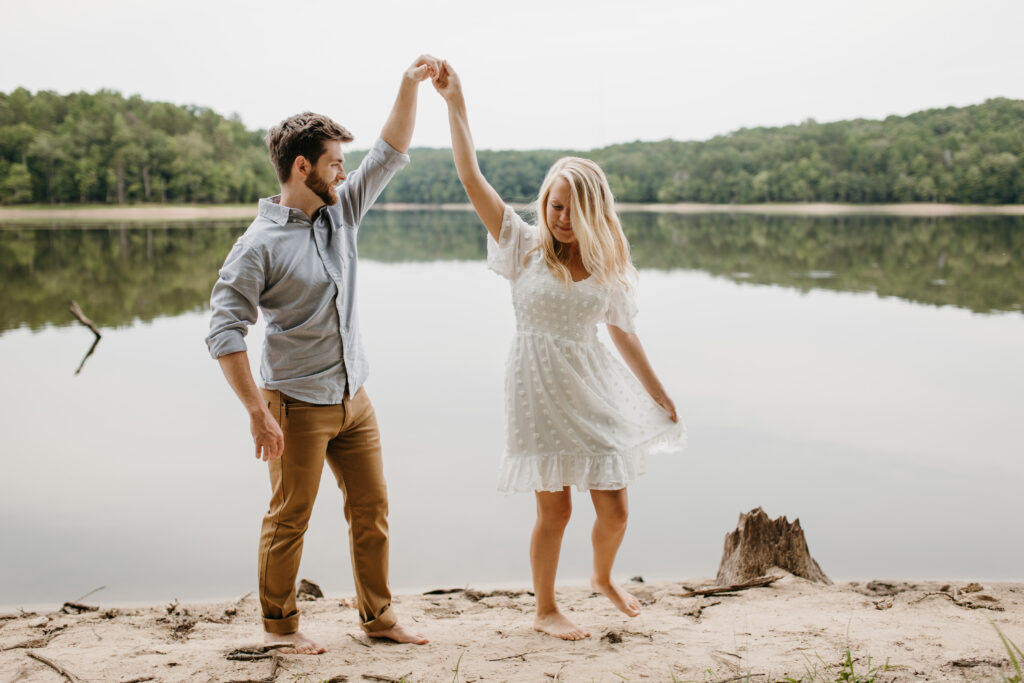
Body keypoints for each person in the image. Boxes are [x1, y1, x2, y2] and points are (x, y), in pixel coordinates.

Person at [431, 62, 687, 640]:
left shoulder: (607, 264)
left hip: (590, 386)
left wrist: (659, 391)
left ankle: (601, 575)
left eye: (573, 209)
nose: (563, 219)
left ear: (595, 210)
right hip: (534, 384)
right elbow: (471, 176)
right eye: (555, 206)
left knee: (615, 509)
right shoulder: (521, 244)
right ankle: (545, 609)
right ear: (543, 204)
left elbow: (622, 332)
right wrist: (456, 102)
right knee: (555, 511)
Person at [206, 55, 441, 654]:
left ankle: (379, 619)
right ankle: (280, 629)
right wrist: (257, 410)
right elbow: (224, 330)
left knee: (372, 511)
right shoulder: (257, 245)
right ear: (302, 166)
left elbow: (390, 150)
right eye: (335, 163)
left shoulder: (343, 212)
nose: (344, 173)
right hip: (296, 407)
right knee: (290, 520)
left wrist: (409, 84)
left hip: (354, 399)